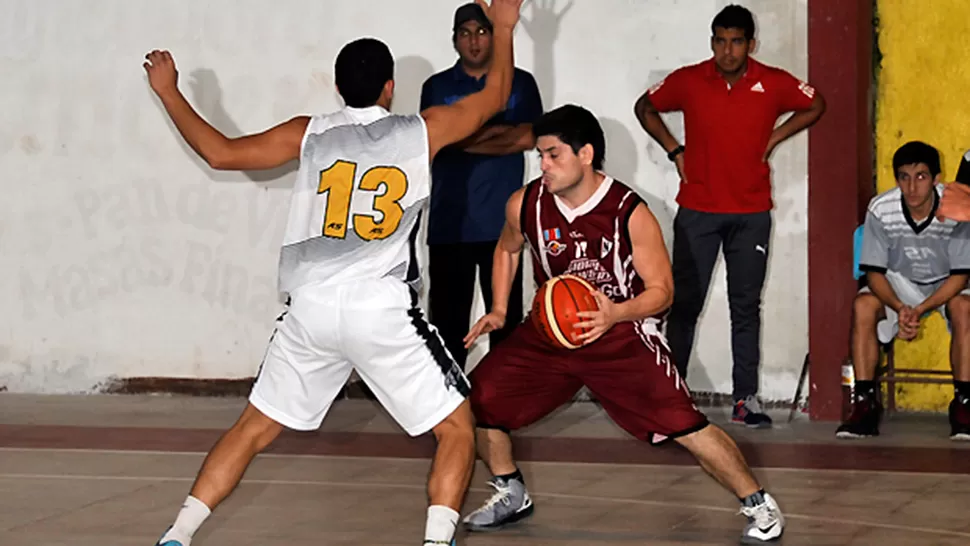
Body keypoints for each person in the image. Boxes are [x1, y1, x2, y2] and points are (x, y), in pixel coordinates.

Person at [142, 2, 524, 545]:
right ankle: (437, 542)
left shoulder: (310, 132)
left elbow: (219, 153)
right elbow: (493, 97)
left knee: (253, 430)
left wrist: (169, 91)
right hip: (380, 309)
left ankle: (177, 535)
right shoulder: (422, 130)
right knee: (457, 428)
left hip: (312, 310)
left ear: (339, 87)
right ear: (390, 88)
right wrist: (505, 27)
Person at [460, 104, 786, 544]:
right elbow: (507, 249)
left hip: (621, 333)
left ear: (586, 154)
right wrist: (500, 308)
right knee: (473, 401)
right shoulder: (527, 203)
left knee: (684, 424)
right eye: (540, 155)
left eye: (554, 155)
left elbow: (662, 292)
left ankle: (758, 504)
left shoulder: (629, 211)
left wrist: (613, 312)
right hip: (552, 333)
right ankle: (510, 490)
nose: (543, 165)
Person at [633, 4, 826, 428]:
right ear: (712, 43)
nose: (727, 50)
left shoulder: (772, 82)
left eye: (736, 41)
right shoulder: (689, 80)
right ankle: (671, 398)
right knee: (683, 304)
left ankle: (745, 401)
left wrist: (774, 137)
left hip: (752, 213)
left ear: (750, 44)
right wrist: (675, 151)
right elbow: (644, 107)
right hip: (698, 211)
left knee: (746, 307)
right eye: (720, 41)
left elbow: (816, 104)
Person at [420, 2, 544, 369]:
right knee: (446, 325)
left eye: (482, 31)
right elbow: (435, 140)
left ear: (494, 35)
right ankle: (447, 405)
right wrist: (496, 136)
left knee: (505, 326)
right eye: (465, 33)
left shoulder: (520, 83)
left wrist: (462, 134)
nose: (474, 41)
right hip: (450, 224)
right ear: (455, 41)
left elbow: (527, 138)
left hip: (504, 227)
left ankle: (498, 411)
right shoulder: (437, 87)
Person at [838, 141, 970, 440]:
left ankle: (963, 404)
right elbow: (874, 272)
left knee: (965, 308)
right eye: (904, 177)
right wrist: (900, 307)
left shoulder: (955, 209)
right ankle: (864, 403)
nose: (912, 187)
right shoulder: (881, 209)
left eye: (921, 177)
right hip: (900, 283)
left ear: (936, 179)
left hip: (946, 283)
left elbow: (961, 277)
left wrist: (919, 310)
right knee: (863, 306)